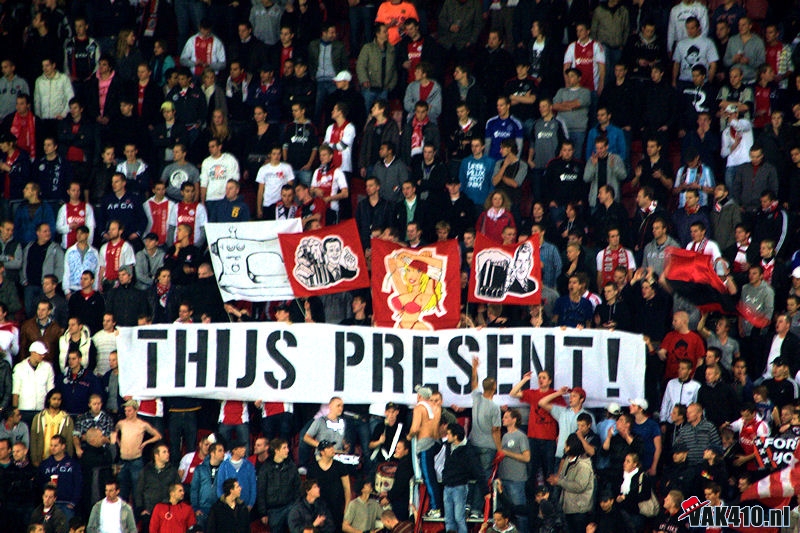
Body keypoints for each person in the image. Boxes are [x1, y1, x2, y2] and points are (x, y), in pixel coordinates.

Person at [442, 422, 487, 533]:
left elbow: (478, 471)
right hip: (447, 486)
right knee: (449, 519)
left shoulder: (468, 451)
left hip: (459, 487)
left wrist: (485, 491)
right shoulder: (448, 446)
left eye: (449, 434)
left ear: (456, 436)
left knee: (459, 518)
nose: (447, 436)